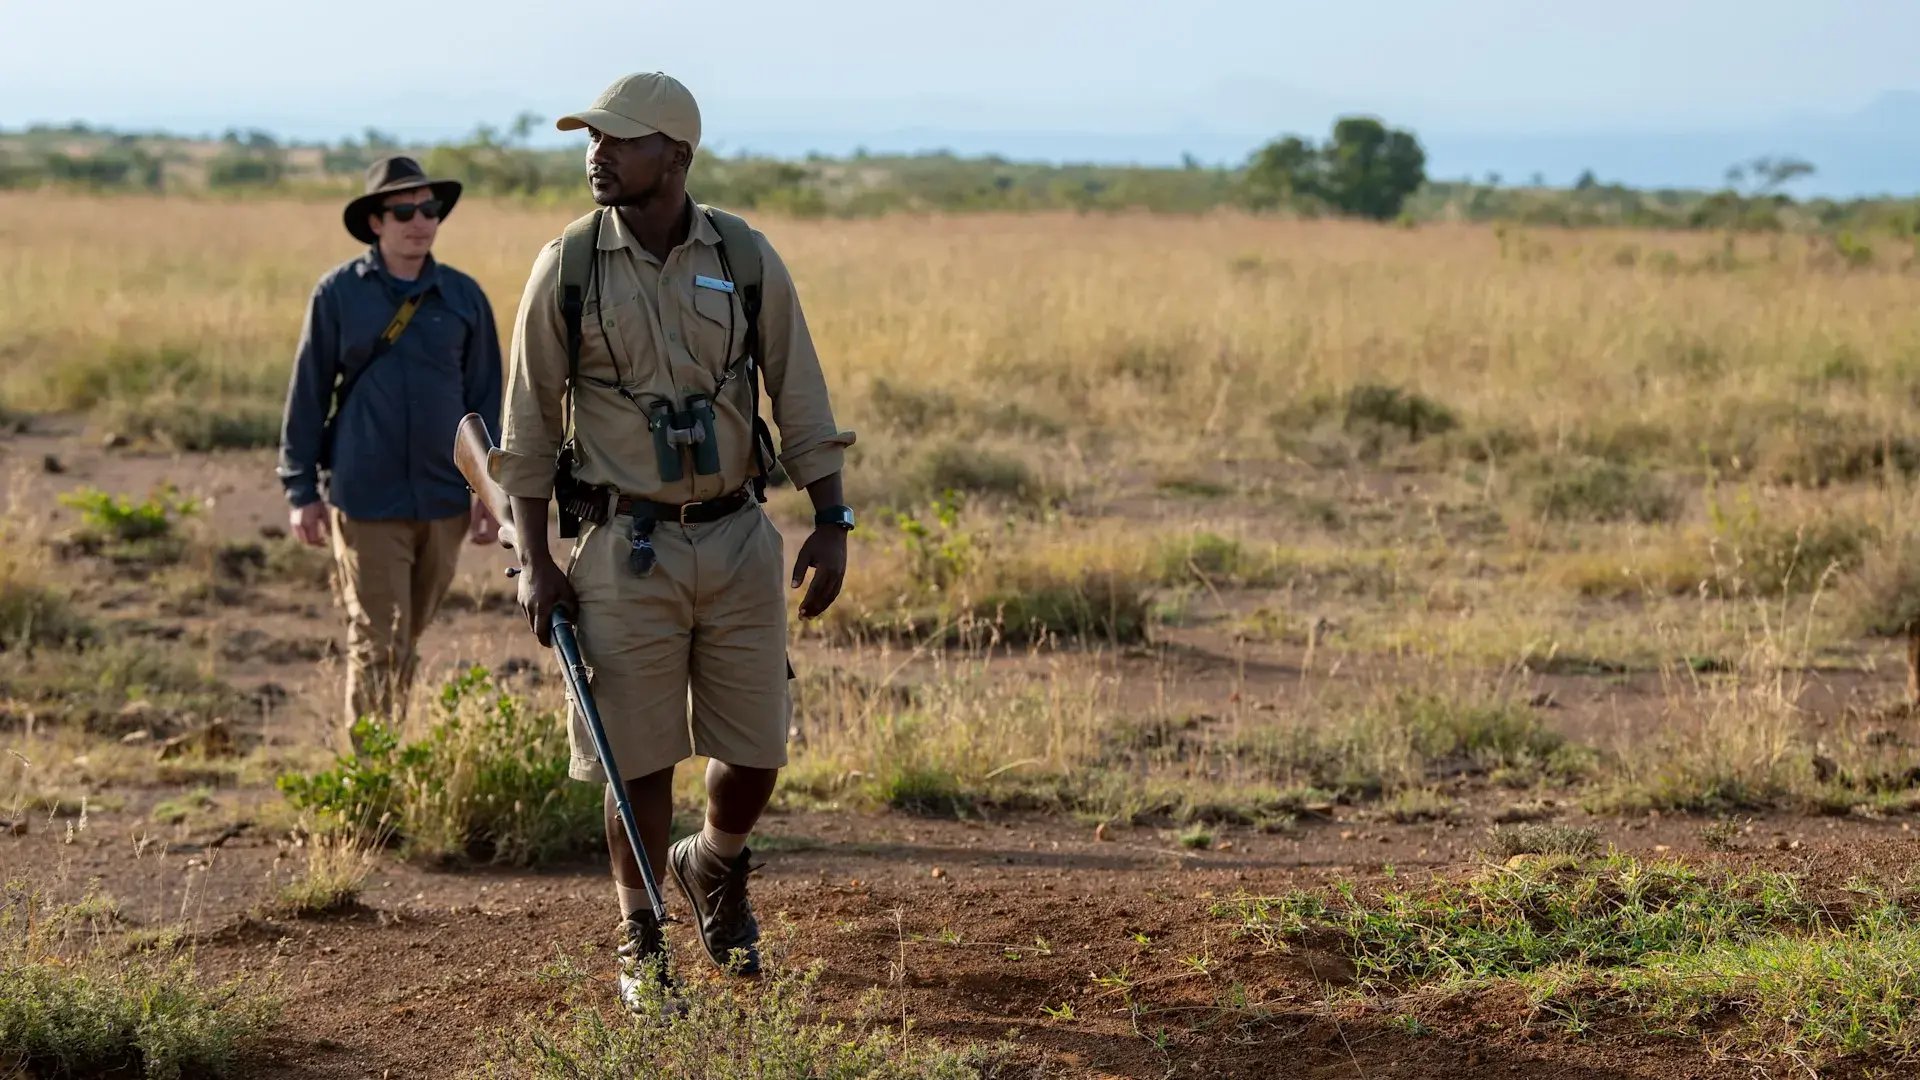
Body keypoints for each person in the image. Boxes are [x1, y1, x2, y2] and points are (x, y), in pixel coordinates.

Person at [491, 71, 855, 1006]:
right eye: (592, 139)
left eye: (619, 139)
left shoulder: (742, 254)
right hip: (622, 545)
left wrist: (831, 516)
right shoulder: (566, 266)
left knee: (758, 748)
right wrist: (536, 563)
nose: (596, 154)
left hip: (737, 538)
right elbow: (527, 430)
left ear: (677, 155)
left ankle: (713, 863)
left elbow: (799, 391)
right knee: (636, 755)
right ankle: (639, 936)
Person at [276, 156, 504, 749]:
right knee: (378, 636)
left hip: (443, 499)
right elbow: (307, 395)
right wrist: (300, 490)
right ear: (376, 222)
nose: (419, 221)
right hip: (366, 494)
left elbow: (485, 402)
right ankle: (372, 778)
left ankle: (390, 756)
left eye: (429, 209)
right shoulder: (338, 295)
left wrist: (491, 495)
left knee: (408, 633)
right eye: (404, 211)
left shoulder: (463, 296)